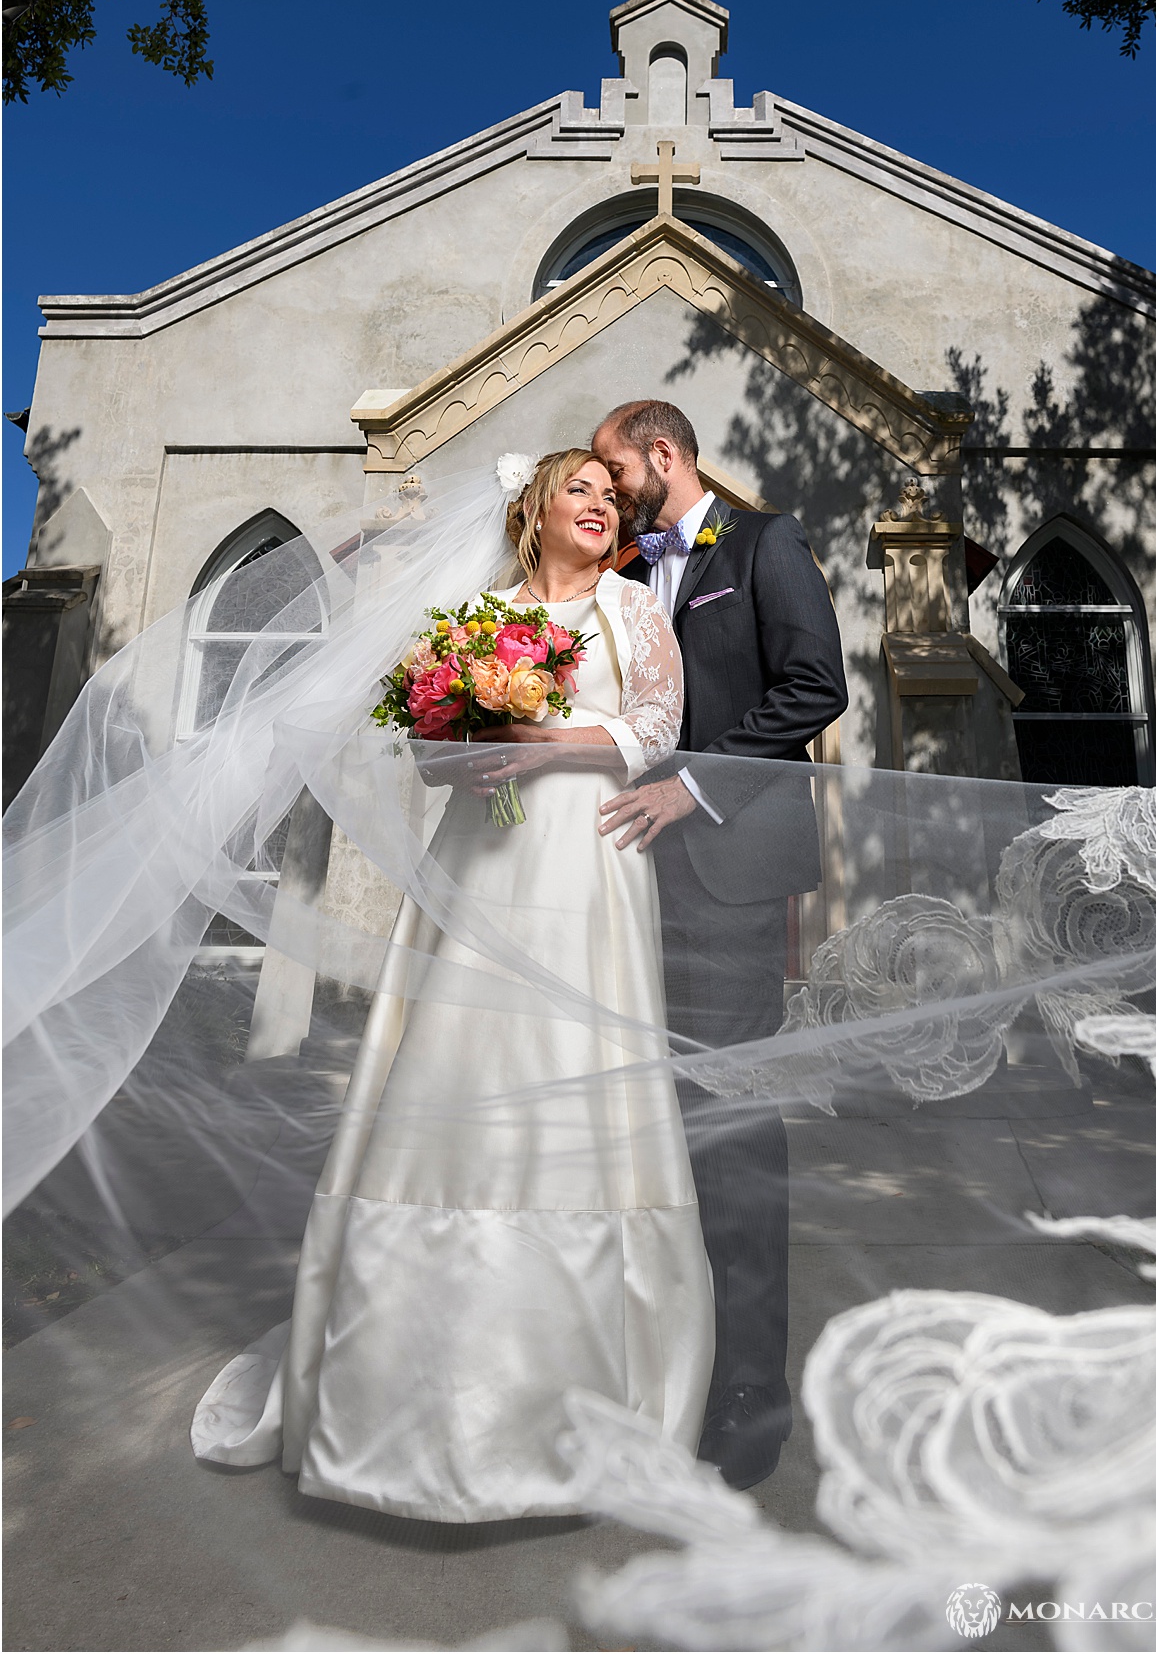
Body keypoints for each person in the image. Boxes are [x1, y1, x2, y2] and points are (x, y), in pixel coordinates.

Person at [191, 449, 715, 1522]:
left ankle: (580, 1407)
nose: (600, 505)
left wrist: (535, 742)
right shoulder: (472, 615)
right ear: (534, 507)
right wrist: (470, 749)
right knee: (450, 1073)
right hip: (479, 863)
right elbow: (426, 751)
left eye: (611, 497)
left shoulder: (631, 609)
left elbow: (656, 728)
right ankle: (400, 1406)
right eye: (581, 489)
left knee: (576, 1071)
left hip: (587, 860)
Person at [590, 401, 849, 1490]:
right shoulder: (623, 573)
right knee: (642, 1126)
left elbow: (814, 686)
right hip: (623, 890)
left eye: (614, 467)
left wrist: (693, 788)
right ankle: (659, 1361)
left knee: (731, 1129)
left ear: (664, 453)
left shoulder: (763, 545)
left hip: (728, 877)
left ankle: (749, 1392)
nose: (606, 489)